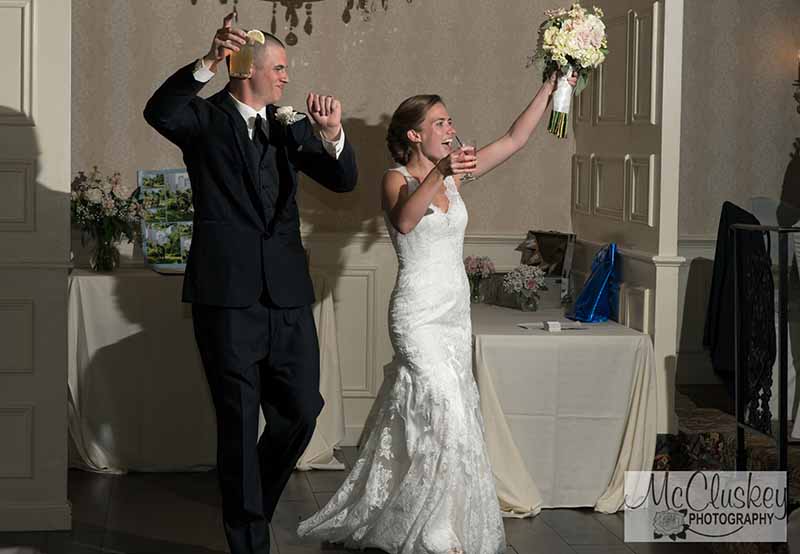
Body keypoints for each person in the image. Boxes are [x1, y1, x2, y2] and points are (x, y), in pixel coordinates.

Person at [297, 70, 576, 553]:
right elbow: (405, 222)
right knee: (442, 412)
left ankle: (429, 516)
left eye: (450, 122)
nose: (450, 129)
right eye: (440, 122)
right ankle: (428, 530)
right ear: (415, 134)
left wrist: (549, 90)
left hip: (453, 313)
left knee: (448, 415)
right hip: (417, 315)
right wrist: (440, 174)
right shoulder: (396, 178)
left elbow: (514, 139)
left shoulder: (456, 171)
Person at [143, 13, 358, 554]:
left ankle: (249, 504)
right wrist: (206, 63)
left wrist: (332, 136)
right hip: (226, 297)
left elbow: (342, 180)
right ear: (248, 71)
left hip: (287, 295)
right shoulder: (203, 119)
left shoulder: (290, 126)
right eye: (279, 68)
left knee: (304, 409)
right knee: (238, 426)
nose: (287, 78)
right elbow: (158, 111)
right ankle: (248, 541)